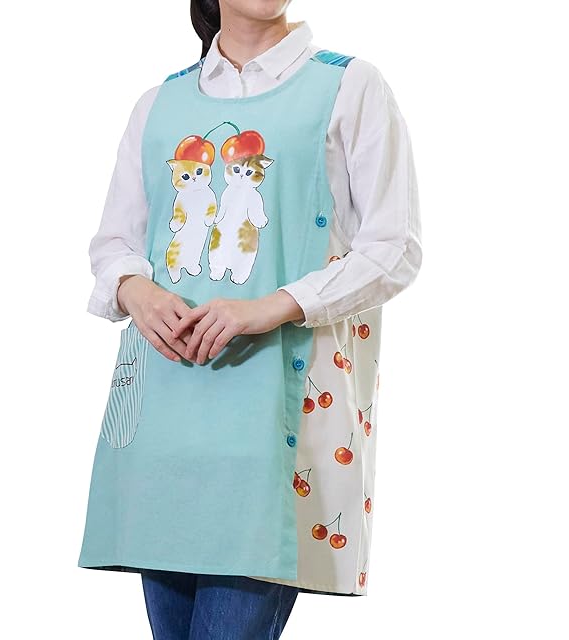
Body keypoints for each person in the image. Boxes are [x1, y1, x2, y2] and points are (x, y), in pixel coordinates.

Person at [77, 1, 423, 638]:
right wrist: (137, 291)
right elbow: (114, 243)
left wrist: (273, 305)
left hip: (275, 420)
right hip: (165, 422)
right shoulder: (159, 103)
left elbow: (392, 248)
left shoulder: (349, 86)